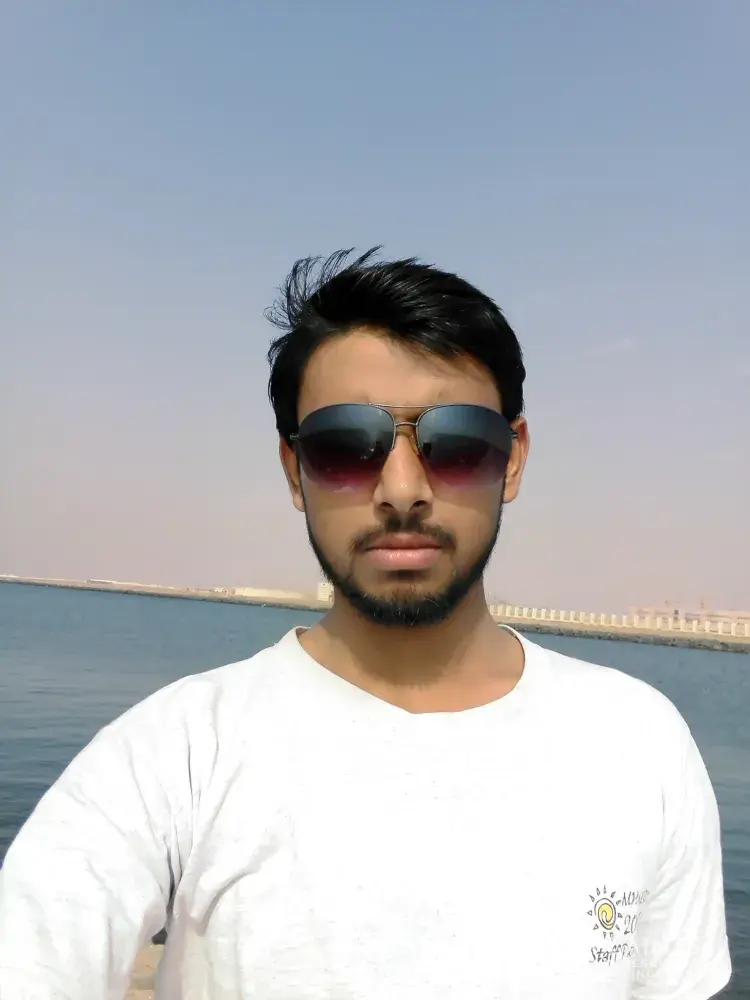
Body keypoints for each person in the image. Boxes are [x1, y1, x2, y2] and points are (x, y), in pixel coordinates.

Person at [0, 249, 732, 999]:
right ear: (294, 469)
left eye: (456, 442)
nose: (402, 489)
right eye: (345, 446)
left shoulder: (639, 742)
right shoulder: (177, 753)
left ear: (512, 460)